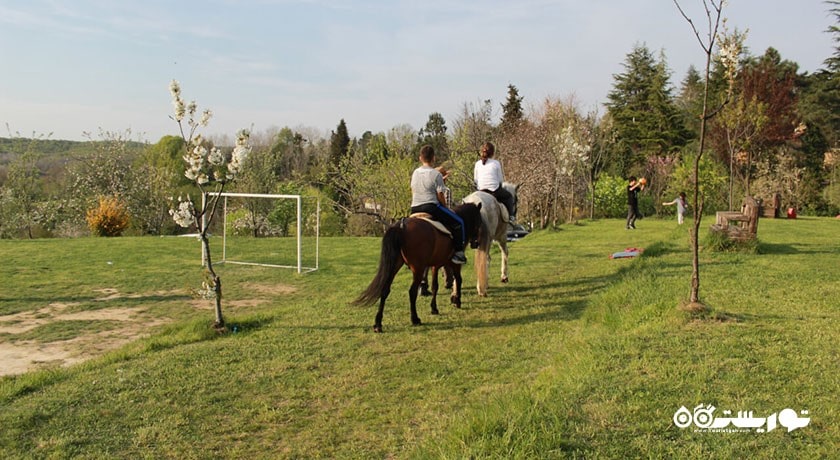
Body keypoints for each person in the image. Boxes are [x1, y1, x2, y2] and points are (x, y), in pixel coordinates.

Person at [411, 145, 467, 264]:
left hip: (414, 207)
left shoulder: (415, 172)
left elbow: (413, 190)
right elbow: (440, 195)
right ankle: (458, 253)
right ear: (434, 158)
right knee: (459, 222)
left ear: (420, 158)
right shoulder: (436, 175)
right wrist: (446, 208)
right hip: (431, 207)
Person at [473, 141, 516, 223]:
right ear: (492, 153)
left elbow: (475, 180)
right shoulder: (496, 163)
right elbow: (500, 180)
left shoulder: (477, 164)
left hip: (480, 190)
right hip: (494, 190)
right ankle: (511, 216)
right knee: (509, 196)